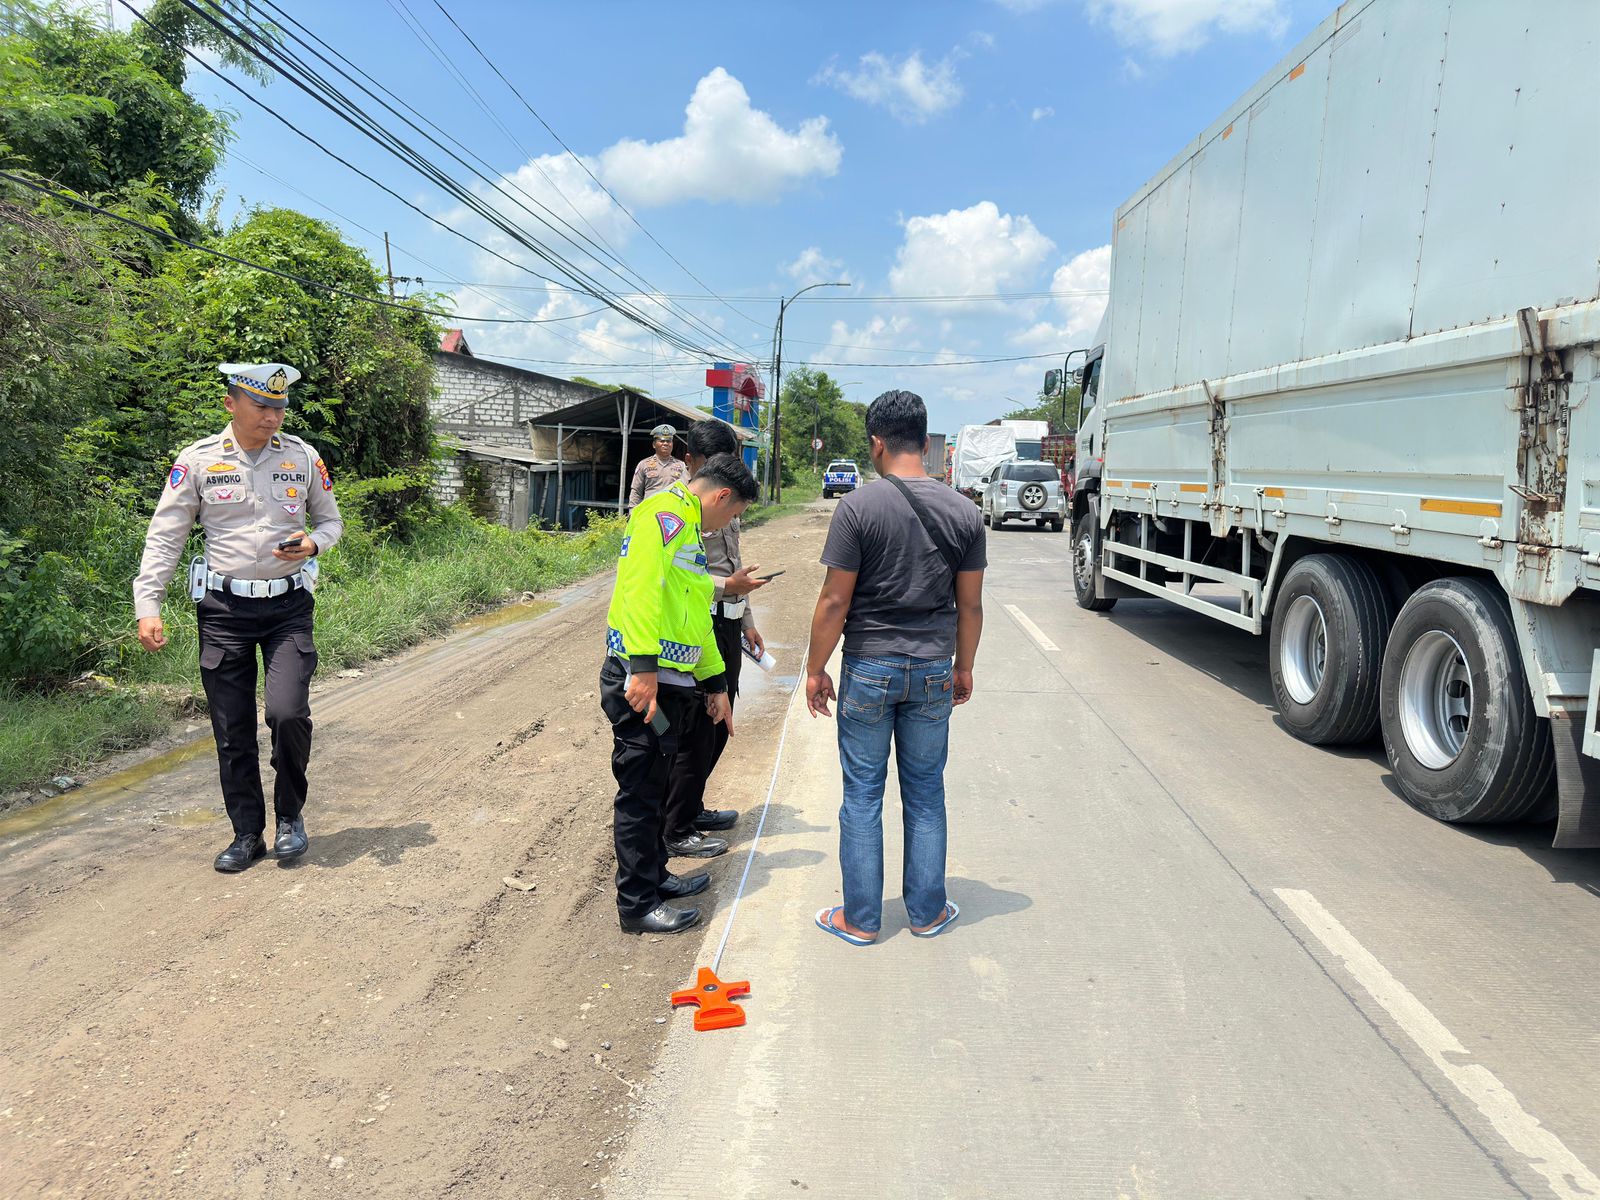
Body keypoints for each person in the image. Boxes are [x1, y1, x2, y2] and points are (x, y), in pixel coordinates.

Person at [134, 363, 344, 873]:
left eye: (280, 407)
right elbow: (167, 535)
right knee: (232, 729)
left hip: (288, 607)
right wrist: (149, 602)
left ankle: (290, 817)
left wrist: (316, 542)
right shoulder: (199, 460)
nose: (273, 417)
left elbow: (330, 519)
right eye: (262, 406)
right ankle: (247, 832)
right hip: (224, 610)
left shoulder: (302, 456)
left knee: (287, 713)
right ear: (232, 403)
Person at [804, 390, 985, 945]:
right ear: (926, 444)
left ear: (877, 444)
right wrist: (964, 667)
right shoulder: (966, 512)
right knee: (926, 792)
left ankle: (859, 920)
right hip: (932, 667)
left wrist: (815, 669)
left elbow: (834, 602)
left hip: (869, 668)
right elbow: (971, 605)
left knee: (862, 793)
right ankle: (927, 913)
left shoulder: (858, 508)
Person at [601, 452, 758, 935]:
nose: (728, 523)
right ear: (721, 496)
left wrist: (715, 684)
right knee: (641, 795)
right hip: (642, 684)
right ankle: (636, 904)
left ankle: (655, 878)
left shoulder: (688, 527)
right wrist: (643, 667)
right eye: (732, 515)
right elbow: (640, 588)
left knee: (658, 782)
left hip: (671, 686)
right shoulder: (662, 515)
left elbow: (694, 616)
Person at [662, 421, 770, 857]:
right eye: (716, 465)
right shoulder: (675, 511)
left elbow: (734, 564)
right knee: (696, 725)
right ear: (693, 463)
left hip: (724, 618)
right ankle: (676, 822)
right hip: (694, 622)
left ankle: (690, 806)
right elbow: (676, 578)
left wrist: (745, 618)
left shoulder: (724, 501)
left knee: (718, 715)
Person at [627, 424, 689, 506]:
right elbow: (636, 492)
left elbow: (686, 490)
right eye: (662, 441)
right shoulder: (644, 464)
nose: (665, 444)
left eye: (669, 441)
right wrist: (633, 511)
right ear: (654, 444)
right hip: (650, 510)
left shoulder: (681, 465)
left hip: (672, 512)